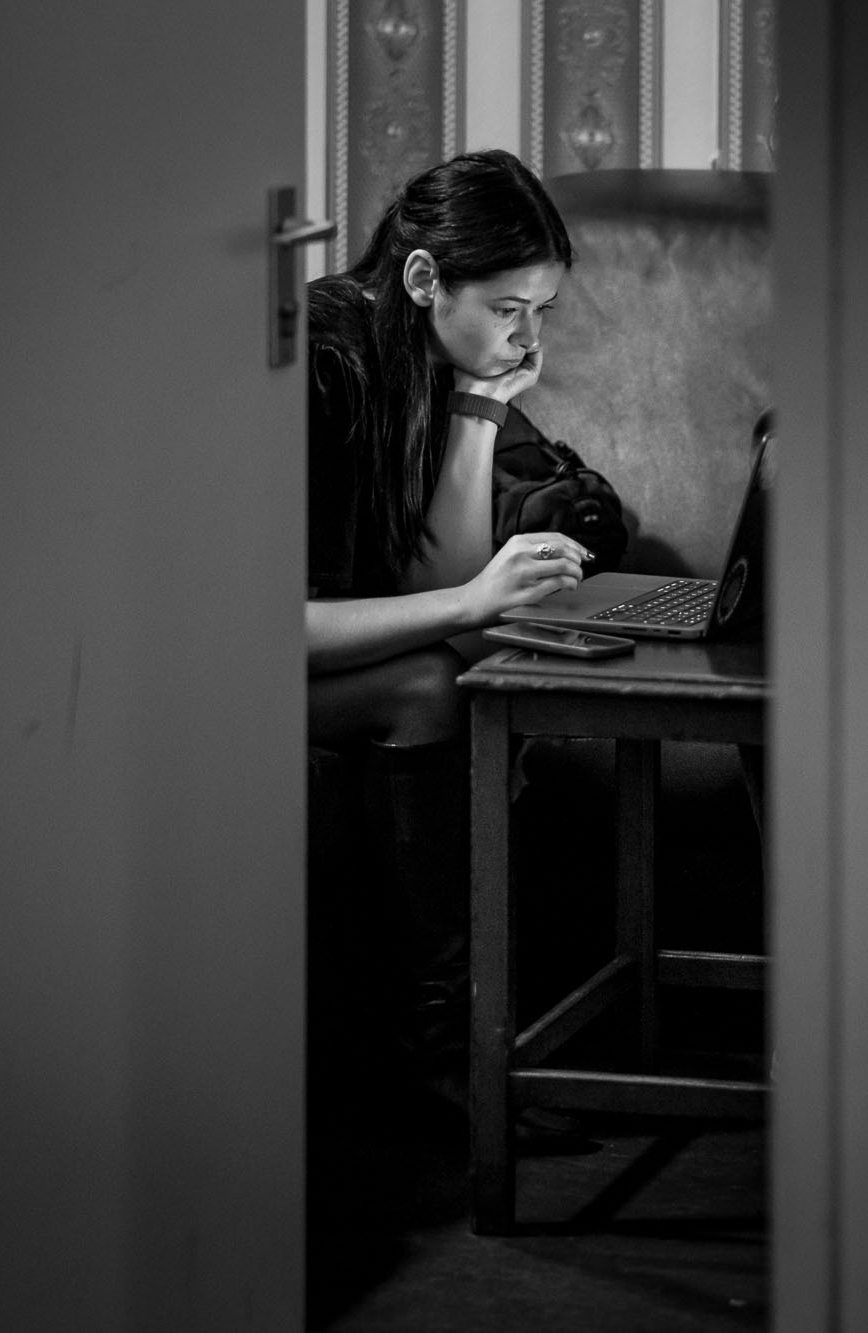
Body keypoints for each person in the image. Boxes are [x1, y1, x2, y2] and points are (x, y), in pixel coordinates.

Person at [305, 150, 591, 1126]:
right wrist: (474, 604)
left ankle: (456, 1061)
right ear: (425, 277)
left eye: (542, 312)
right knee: (433, 682)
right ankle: (435, 1071)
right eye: (509, 308)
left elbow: (437, 592)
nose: (527, 337)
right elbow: (275, 631)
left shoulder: (430, 357)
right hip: (205, 667)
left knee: (463, 668)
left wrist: (479, 414)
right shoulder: (325, 360)